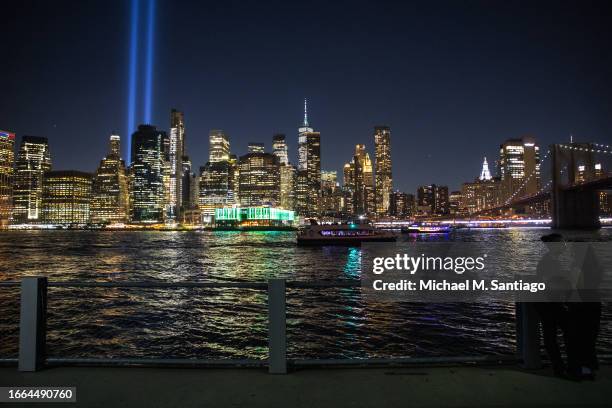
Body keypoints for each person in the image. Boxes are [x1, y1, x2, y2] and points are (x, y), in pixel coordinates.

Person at [535, 233, 571, 378]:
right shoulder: (550, 262)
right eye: (561, 243)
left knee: (550, 336)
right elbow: (550, 284)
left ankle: (559, 367)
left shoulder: (548, 260)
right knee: (567, 333)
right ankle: (561, 367)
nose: (564, 246)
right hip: (551, 304)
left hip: (547, 304)